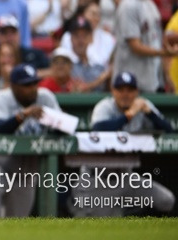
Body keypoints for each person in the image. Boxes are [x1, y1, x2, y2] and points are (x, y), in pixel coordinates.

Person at [70, 71, 175, 217]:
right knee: (101, 225)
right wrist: (129, 114)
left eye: (130, 90)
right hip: (98, 178)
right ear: (113, 91)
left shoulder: (143, 105)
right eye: (120, 90)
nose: (125, 94)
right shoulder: (105, 106)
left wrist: (150, 113)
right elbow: (99, 130)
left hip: (127, 178)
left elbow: (169, 130)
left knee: (166, 200)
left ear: (137, 92)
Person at [0, 63, 62, 217]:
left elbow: (63, 127)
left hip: (26, 167)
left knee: (16, 221)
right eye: (27, 85)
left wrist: (52, 121)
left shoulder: (45, 97)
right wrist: (23, 115)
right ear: (13, 86)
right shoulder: (0, 98)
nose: (33, 88)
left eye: (35, 83)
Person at [113, 0, 178, 93]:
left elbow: (156, 40)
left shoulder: (150, 4)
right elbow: (135, 46)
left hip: (151, 78)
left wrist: (166, 75)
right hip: (130, 82)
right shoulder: (128, 5)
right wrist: (164, 53)